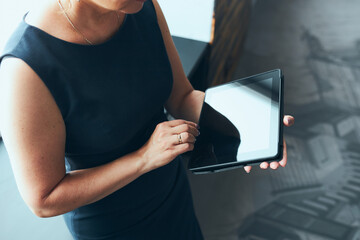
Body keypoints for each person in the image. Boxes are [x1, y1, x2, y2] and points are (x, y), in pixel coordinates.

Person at [0, 0, 295, 239]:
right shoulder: (24, 70)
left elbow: (182, 98)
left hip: (172, 194)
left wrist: (251, 125)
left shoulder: (141, 7)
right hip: (114, 226)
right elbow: (44, 198)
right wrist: (144, 158)